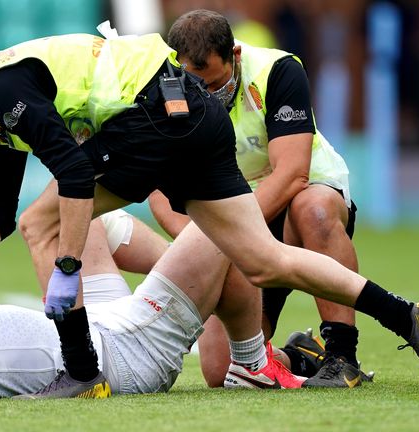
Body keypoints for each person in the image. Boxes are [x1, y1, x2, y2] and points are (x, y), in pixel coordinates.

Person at [0, 28, 419, 398]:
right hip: (187, 110)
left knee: (48, 222)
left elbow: (75, 175)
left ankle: (82, 368)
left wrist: (65, 268)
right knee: (264, 261)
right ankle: (407, 316)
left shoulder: (0, 88)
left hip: (158, 112)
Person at [0, 213, 306, 402]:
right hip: (124, 356)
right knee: (216, 227)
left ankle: (201, 287)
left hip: (97, 328)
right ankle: (250, 361)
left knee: (73, 220)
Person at [149, 8, 366, 388]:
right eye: (196, 86)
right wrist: (212, 244)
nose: (208, 96)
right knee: (222, 371)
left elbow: (293, 172)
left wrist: (233, 234)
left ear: (234, 56)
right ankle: (301, 355)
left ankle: (342, 357)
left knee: (311, 210)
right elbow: (158, 192)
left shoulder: (278, 70)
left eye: (216, 84)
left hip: (301, 194)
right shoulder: (160, 87)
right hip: (236, 225)